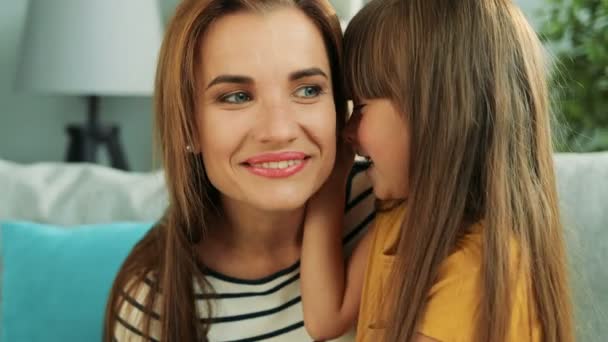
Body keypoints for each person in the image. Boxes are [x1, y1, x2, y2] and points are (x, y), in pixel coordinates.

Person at [300, 0, 574, 341]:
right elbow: (325, 318)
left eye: (362, 107)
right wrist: (331, 172)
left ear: (438, 116)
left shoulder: (479, 267)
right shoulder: (402, 218)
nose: (348, 130)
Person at [102, 0, 375, 341]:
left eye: (308, 90)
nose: (278, 130)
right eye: (236, 97)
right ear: (187, 126)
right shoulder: (152, 301)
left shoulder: (390, 212)